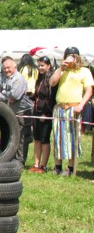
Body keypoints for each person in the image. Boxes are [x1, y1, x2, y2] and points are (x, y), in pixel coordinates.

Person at [49, 47, 94, 176]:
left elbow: (89, 90)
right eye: (67, 56)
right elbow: (52, 83)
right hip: (59, 108)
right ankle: (57, 166)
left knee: (72, 138)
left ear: (77, 58)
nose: (69, 59)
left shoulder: (84, 71)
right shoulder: (61, 70)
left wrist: (81, 105)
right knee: (58, 137)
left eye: (72, 56)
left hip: (74, 108)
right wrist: (60, 69)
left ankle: (69, 167)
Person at [0, 56, 34, 165]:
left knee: (21, 137)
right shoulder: (1, 77)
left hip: (22, 112)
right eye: (4, 68)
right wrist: (7, 95)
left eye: (9, 68)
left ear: (15, 67)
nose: (6, 70)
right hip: (8, 111)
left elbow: (15, 95)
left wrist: (3, 93)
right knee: (9, 135)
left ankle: (20, 160)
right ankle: (9, 157)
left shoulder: (19, 79)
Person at [29, 56, 56, 173]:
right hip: (36, 112)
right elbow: (38, 95)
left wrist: (46, 113)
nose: (40, 68)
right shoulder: (39, 78)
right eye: (39, 65)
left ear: (48, 66)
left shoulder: (51, 79)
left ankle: (43, 166)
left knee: (45, 140)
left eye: (42, 65)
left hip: (45, 113)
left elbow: (51, 98)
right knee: (37, 139)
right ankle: (36, 164)